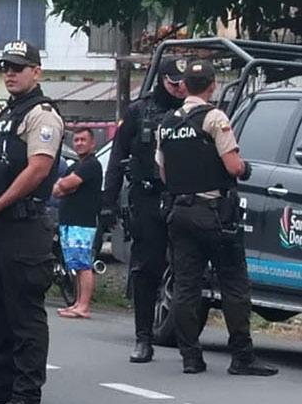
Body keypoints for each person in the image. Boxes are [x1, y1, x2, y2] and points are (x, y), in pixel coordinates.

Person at [155, 60, 277, 377]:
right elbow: (233, 166)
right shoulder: (214, 118)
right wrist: (246, 169)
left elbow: (164, 173)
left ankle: (191, 357)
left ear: (184, 86)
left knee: (186, 287)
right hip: (215, 214)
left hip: (179, 212)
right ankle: (242, 357)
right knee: (234, 283)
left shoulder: (166, 123)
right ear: (212, 86)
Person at [0, 41, 61, 404]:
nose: (10, 73)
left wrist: (0, 204)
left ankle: (26, 392)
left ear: (36, 71)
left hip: (25, 223)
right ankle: (1, 383)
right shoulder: (6, 114)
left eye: (18, 67)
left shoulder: (42, 114)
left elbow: (38, 169)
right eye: (5, 67)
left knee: (24, 313)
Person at [101, 58, 186, 363]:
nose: (180, 88)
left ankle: (188, 346)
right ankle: (143, 338)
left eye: (184, 82)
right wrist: (108, 202)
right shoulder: (139, 111)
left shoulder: (192, 111)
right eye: (174, 83)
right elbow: (117, 157)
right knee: (146, 269)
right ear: (162, 79)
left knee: (187, 270)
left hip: (183, 200)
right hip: (147, 199)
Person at [54, 127, 102, 318]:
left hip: (82, 223)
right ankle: (76, 303)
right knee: (74, 265)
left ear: (92, 143)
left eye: (83, 140)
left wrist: (67, 186)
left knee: (83, 265)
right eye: (76, 140)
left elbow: (65, 184)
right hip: (69, 221)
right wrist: (66, 186)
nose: (79, 143)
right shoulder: (75, 166)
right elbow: (57, 190)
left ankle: (84, 306)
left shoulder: (91, 165)